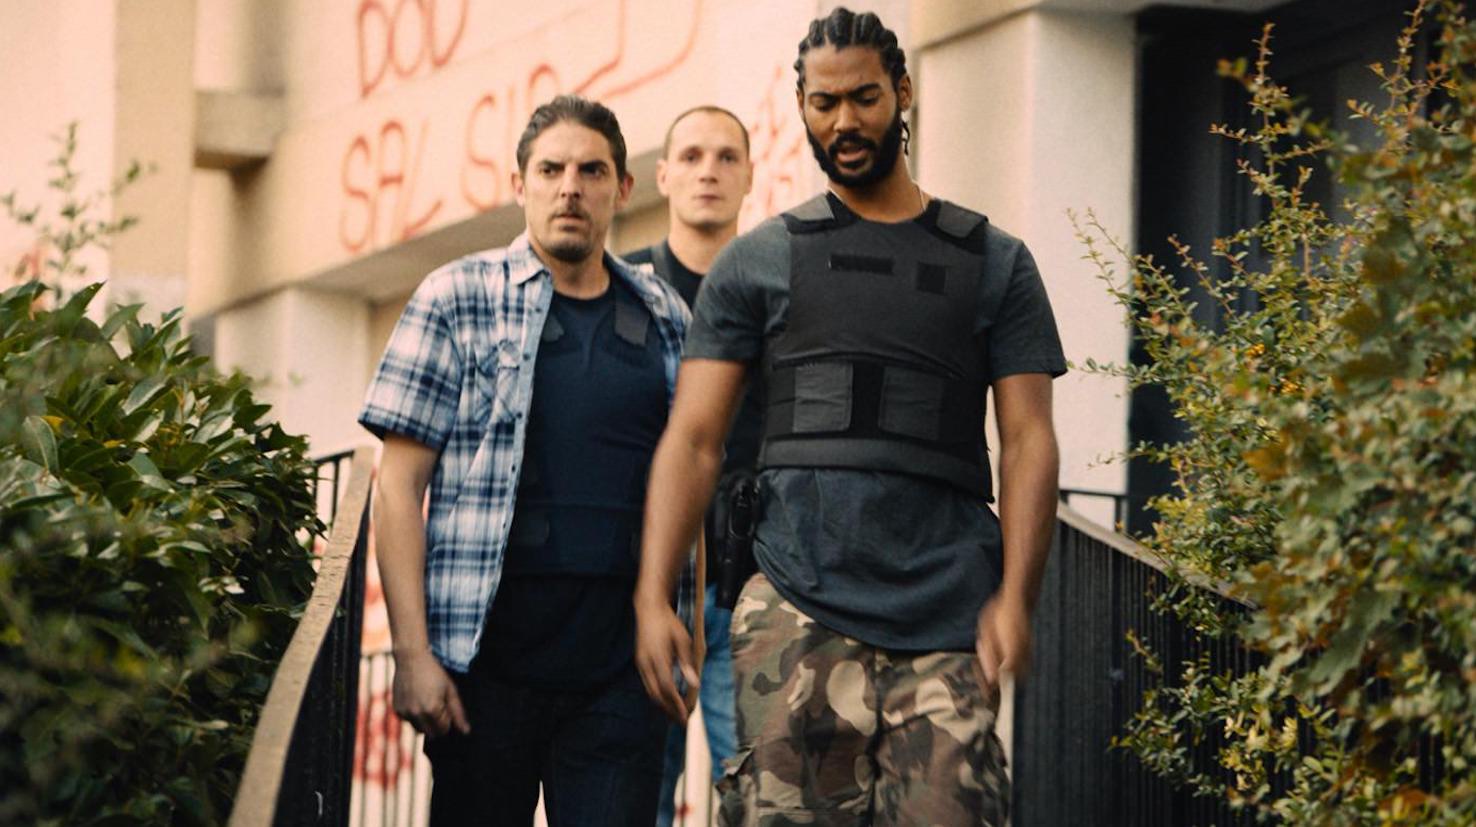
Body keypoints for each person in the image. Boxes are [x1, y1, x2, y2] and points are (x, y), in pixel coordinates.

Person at [632, 7, 1066, 825]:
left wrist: (1018, 596)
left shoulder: (995, 262)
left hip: (946, 616)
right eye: (823, 103)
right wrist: (655, 596)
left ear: (903, 92)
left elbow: (1028, 439)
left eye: (864, 98)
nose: (844, 122)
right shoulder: (757, 260)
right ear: (801, 105)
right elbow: (692, 440)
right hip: (795, 609)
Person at [360, 94, 692, 826]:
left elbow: (693, 471)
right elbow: (398, 486)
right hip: (484, 667)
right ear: (520, 185)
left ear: (623, 188)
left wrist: (679, 620)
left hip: (620, 668)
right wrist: (412, 654)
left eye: (591, 171)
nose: (570, 187)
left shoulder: (666, 314)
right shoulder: (455, 297)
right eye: (551, 170)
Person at [623, 105, 756, 827]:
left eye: (727, 156)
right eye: (693, 155)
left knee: (763, 795)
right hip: (646, 583)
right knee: (636, 792)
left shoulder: (776, 288)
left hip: (752, 585)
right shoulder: (623, 287)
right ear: (663, 175)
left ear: (750, 175)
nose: (709, 171)